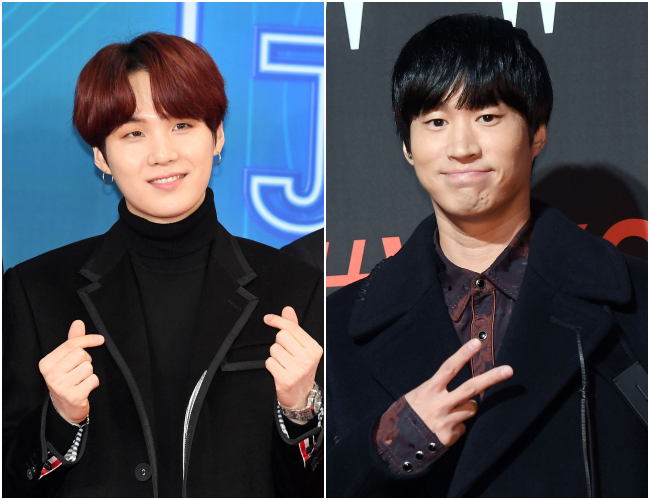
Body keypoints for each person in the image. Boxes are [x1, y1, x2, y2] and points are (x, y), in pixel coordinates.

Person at [326, 14, 647, 497]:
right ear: (409, 147)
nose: (461, 148)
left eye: (487, 117)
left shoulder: (635, 301)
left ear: (536, 133)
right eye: (436, 122)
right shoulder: (341, 324)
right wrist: (393, 443)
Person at [3, 32, 324, 497]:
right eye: (133, 133)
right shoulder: (36, 292)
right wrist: (61, 418)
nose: (162, 154)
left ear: (217, 136)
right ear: (101, 156)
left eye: (182, 125)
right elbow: (14, 482)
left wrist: (301, 411)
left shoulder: (295, 288)